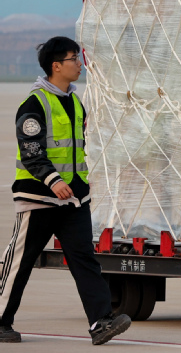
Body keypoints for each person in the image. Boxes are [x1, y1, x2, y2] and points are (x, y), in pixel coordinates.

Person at [0, 37, 131, 345]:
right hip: (38, 198)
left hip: (73, 199)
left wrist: (79, 185)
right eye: (74, 59)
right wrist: (53, 180)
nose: (79, 64)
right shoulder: (34, 104)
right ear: (56, 66)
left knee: (84, 258)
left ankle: (101, 322)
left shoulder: (74, 101)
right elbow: (31, 151)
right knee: (20, 262)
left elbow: (76, 148)